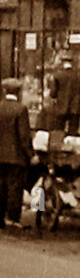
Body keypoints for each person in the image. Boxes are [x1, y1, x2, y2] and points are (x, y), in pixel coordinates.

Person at [0, 78, 33, 228]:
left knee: (1, 186)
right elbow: (24, 136)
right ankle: (12, 218)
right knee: (15, 187)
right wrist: (31, 155)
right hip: (15, 157)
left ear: (5, 91)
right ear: (18, 92)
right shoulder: (21, 109)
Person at [49, 55, 80, 135]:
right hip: (75, 106)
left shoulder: (57, 75)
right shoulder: (79, 75)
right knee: (73, 131)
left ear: (63, 63)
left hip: (61, 106)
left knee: (58, 131)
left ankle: (58, 146)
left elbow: (53, 93)